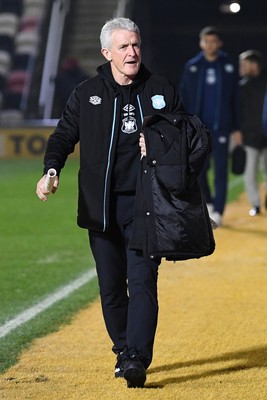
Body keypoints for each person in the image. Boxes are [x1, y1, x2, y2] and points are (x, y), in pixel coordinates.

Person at [36, 18, 214, 388]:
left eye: (135, 45)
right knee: (112, 287)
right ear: (107, 53)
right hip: (100, 208)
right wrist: (51, 170)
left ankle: (137, 358)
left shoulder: (160, 88)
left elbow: (191, 137)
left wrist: (163, 146)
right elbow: (63, 136)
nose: (132, 52)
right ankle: (122, 350)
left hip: (148, 206)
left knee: (144, 280)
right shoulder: (87, 93)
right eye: (123, 47)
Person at [179, 26, 240, 226]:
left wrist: (237, 127)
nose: (210, 45)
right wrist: (185, 124)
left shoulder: (229, 66)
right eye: (207, 41)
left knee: (221, 170)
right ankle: (210, 202)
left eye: (214, 41)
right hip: (198, 129)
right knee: (199, 170)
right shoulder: (192, 66)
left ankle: (219, 211)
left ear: (219, 43)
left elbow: (236, 99)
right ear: (201, 43)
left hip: (222, 128)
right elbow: (184, 97)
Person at [237, 50, 267, 216]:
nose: (241, 68)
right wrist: (237, 131)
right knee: (250, 174)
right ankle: (255, 204)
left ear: (254, 65)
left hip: (266, 135)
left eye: (245, 64)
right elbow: (237, 112)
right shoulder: (241, 87)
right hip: (250, 137)